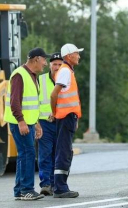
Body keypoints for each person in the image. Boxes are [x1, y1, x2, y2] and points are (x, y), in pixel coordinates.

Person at [4, 47, 49, 201]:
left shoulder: (31, 75)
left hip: (27, 122)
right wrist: (21, 121)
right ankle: (26, 190)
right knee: (28, 154)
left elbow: (31, 103)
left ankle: (19, 190)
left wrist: (35, 123)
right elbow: (14, 101)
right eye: (44, 59)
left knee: (24, 155)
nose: (46, 63)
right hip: (20, 123)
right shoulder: (20, 75)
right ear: (36, 59)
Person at [50, 43, 83, 199]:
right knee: (63, 152)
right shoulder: (65, 71)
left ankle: (60, 186)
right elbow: (53, 94)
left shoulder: (67, 71)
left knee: (65, 151)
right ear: (69, 56)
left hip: (68, 117)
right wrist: (55, 112)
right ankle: (60, 188)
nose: (79, 56)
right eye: (77, 53)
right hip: (64, 117)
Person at [37, 52, 63, 196]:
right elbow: (35, 101)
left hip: (61, 122)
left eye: (60, 64)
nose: (57, 67)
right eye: (54, 64)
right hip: (45, 122)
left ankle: (55, 184)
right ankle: (45, 184)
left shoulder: (66, 80)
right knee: (45, 154)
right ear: (50, 65)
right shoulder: (40, 80)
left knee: (58, 154)